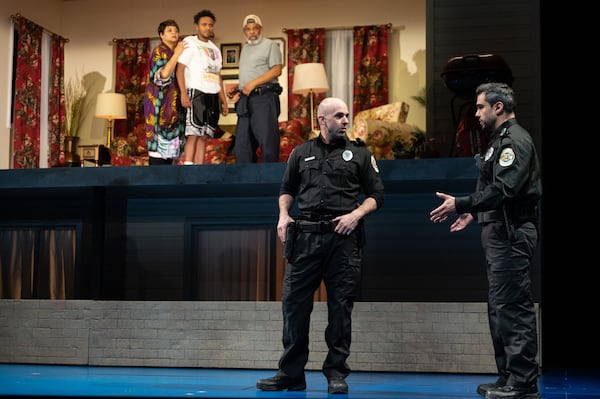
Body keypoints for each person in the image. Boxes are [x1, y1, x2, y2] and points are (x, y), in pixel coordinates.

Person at [256, 97, 384, 394]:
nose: (346, 120)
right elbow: (287, 189)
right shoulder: (301, 153)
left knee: (340, 308)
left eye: (347, 115)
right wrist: (284, 215)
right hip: (306, 238)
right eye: (339, 116)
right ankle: (290, 374)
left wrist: (356, 214)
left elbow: (377, 195)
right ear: (321, 120)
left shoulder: (360, 154)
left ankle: (336, 374)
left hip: (343, 237)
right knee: (293, 306)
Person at [429, 83, 542, 399]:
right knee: (499, 308)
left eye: (479, 107)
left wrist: (461, 204)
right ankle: (508, 377)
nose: (475, 113)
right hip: (496, 231)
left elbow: (505, 190)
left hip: (511, 232)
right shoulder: (497, 142)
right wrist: (473, 214)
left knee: (513, 307)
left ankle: (523, 383)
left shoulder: (515, 141)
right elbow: (490, 190)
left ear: (498, 107)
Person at [228, 14, 283, 163]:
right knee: (242, 145)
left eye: (255, 28)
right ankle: (245, 182)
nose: (252, 32)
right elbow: (249, 76)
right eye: (248, 29)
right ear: (244, 31)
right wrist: (237, 88)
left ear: (261, 29)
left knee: (267, 141)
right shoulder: (245, 49)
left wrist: (253, 84)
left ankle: (270, 181)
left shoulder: (270, 45)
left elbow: (277, 70)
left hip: (264, 98)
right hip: (245, 101)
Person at [176, 9, 228, 165]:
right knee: (193, 134)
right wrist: (183, 94)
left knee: (205, 136)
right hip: (196, 92)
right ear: (197, 27)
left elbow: (217, 76)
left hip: (212, 95)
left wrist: (224, 101)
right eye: (204, 25)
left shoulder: (215, 49)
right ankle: (188, 169)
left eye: (210, 25)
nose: (208, 28)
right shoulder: (190, 43)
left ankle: (198, 171)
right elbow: (180, 69)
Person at [143, 19, 187, 165]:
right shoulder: (159, 51)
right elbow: (163, 75)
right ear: (161, 35)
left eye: (176, 30)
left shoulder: (177, 53)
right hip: (160, 106)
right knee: (159, 161)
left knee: (170, 160)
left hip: (173, 109)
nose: (174, 33)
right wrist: (177, 54)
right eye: (170, 30)